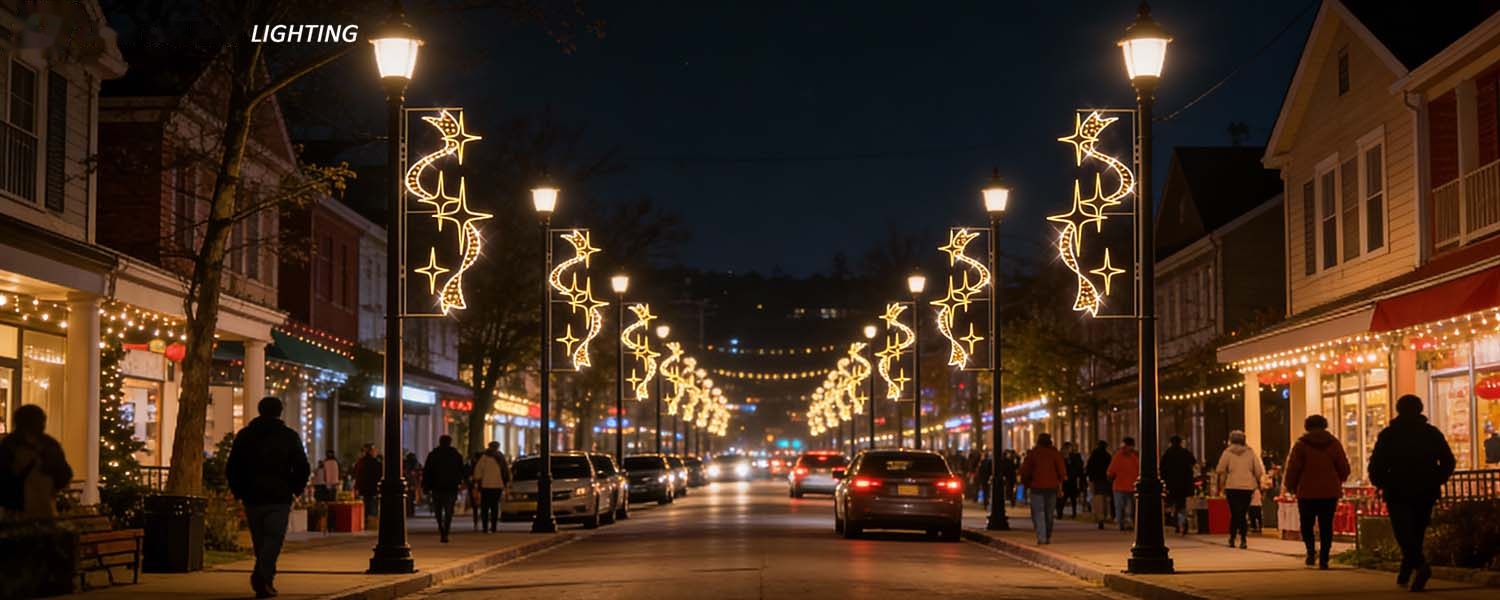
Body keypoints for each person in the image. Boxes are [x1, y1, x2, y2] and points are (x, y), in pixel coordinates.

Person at [1368, 395, 1456, 592]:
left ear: (1398, 410)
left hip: (1397, 489)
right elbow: (1448, 461)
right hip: (1425, 490)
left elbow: (1377, 463)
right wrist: (1436, 478)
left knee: (1403, 532)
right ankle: (1406, 572)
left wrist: (1381, 482)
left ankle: (1419, 566)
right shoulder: (1431, 433)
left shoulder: (1390, 434)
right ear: (1420, 409)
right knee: (1416, 532)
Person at [226, 397, 311, 599]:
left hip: (253, 495)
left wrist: (239, 490)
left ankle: (265, 580)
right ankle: (263, 576)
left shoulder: (245, 436)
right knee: (273, 538)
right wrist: (294, 489)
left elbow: (233, 466)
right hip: (278, 495)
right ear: (279, 412)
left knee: (260, 541)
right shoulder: (288, 436)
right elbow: (302, 466)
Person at [1284, 414, 1350, 570]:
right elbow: (1344, 467)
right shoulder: (1334, 444)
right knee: (1326, 525)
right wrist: (1338, 480)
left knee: (1307, 524)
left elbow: (1293, 468)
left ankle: (1311, 553)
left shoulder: (1301, 445)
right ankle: (1324, 558)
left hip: (1306, 492)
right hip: (1329, 492)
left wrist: (1290, 486)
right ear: (1324, 425)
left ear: (1307, 426)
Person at [0, 405, 73, 521]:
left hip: (15, 510)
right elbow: (64, 475)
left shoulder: (9, 444)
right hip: (44, 507)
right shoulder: (50, 445)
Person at [1215, 430, 1264, 549]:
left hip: (1232, 487)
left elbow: (1221, 470)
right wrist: (1258, 483)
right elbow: (1258, 470)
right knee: (1242, 513)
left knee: (1235, 513)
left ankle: (1232, 538)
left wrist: (1221, 486)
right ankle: (1243, 539)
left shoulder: (1227, 452)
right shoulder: (1250, 452)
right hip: (1247, 487)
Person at [1018, 433, 1068, 544]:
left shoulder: (1033, 454)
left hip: (1036, 488)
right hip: (1052, 487)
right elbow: (1061, 472)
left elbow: (1025, 472)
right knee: (1049, 513)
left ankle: (1042, 537)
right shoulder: (1055, 454)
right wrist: (1060, 485)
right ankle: (1047, 534)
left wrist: (1026, 483)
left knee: (1038, 513)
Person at [422, 435, 467, 543]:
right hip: (451, 487)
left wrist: (426, 486)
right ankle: (446, 531)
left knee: (438, 510)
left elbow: (427, 471)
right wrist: (461, 481)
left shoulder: (433, 454)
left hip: (436, 486)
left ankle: (441, 529)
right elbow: (462, 470)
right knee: (448, 510)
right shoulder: (456, 455)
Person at [1160, 435, 1197, 535]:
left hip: (1171, 484)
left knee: (1172, 504)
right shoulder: (1185, 452)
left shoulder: (1167, 454)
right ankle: (1182, 523)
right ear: (1180, 442)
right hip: (1185, 484)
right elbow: (1193, 462)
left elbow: (1162, 469)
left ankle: (1175, 522)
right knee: (1182, 505)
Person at [471, 442, 509, 533]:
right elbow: (505, 471)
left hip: (486, 486)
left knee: (485, 507)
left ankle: (485, 527)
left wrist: (477, 481)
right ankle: (493, 526)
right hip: (497, 485)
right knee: (494, 506)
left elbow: (477, 473)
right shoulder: (501, 457)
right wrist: (505, 483)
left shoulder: (484, 458)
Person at [1106, 437, 1139, 531]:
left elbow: (1111, 472)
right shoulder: (1134, 457)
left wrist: (1110, 477)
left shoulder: (1119, 456)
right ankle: (1126, 522)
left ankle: (1122, 523)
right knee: (1128, 507)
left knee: (1121, 506)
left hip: (1122, 487)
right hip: (1128, 486)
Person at [1085, 440, 1112, 529]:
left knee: (1097, 497)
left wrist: (1090, 479)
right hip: (1106, 480)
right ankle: (1106, 514)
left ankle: (1099, 516)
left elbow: (1088, 468)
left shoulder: (1093, 456)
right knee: (1105, 498)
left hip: (1095, 480)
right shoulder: (1108, 456)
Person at [352, 443, 382, 520]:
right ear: (371, 451)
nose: (376, 452)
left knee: (365, 505)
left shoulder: (361, 462)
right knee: (372, 508)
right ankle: (371, 520)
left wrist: (356, 487)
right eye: (374, 450)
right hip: (373, 489)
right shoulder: (375, 462)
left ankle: (365, 520)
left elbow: (356, 474)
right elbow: (380, 475)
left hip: (363, 488)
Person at [403, 452, 422, 517]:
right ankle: (411, 511)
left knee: (409, 498)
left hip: (408, 482)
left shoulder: (406, 464)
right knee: (412, 497)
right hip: (413, 482)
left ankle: (409, 511)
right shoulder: (416, 464)